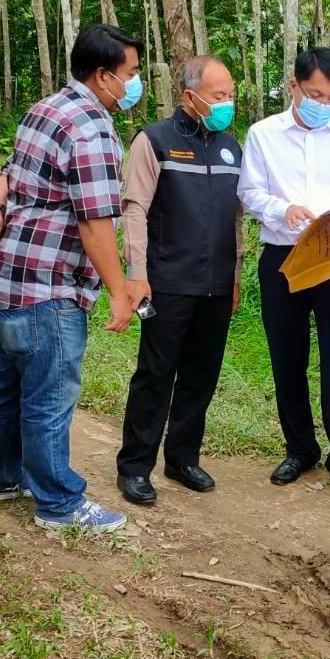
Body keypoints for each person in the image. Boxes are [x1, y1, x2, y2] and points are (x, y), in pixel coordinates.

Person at [0, 23, 143, 533]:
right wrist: (118, 291)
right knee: (49, 397)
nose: (135, 83)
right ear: (103, 75)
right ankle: (58, 504)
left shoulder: (45, 108)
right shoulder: (91, 129)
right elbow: (95, 222)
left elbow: (9, 173)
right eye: (132, 73)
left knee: (5, 382)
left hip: (4, 279)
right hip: (47, 288)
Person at [238, 47, 330, 503]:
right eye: (315, 95)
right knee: (287, 357)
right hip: (283, 257)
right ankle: (299, 449)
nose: (324, 104)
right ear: (294, 86)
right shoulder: (263, 134)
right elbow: (249, 192)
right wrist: (282, 208)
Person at [115, 55, 244, 505]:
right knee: (155, 375)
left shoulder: (231, 147)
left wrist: (235, 276)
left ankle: (182, 457)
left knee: (200, 376)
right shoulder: (154, 141)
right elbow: (134, 209)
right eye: (218, 95)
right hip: (167, 282)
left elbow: (236, 219)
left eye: (231, 95)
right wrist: (136, 274)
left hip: (217, 284)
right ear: (190, 96)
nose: (227, 103)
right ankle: (135, 466)